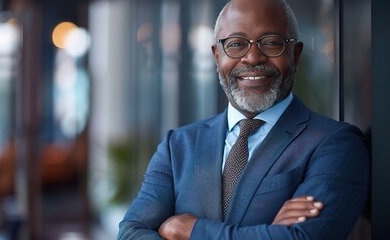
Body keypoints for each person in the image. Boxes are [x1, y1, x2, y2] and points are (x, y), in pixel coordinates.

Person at [118, 0, 370, 239]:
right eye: (236, 44)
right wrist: (267, 233)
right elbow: (130, 233)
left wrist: (190, 231)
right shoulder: (178, 146)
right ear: (217, 57)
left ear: (295, 55)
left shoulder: (336, 144)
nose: (252, 57)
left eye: (271, 43)